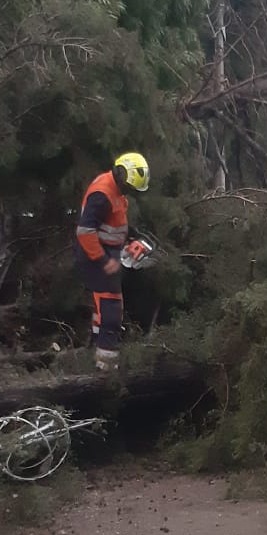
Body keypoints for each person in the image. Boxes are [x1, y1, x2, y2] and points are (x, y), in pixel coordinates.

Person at [74, 153, 149, 371]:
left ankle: (93, 352)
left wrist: (131, 238)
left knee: (101, 307)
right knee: (112, 310)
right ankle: (106, 369)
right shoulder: (102, 194)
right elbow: (85, 231)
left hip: (105, 251)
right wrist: (104, 260)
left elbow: (112, 221)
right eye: (129, 187)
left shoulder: (114, 188)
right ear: (121, 173)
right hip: (95, 255)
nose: (129, 191)